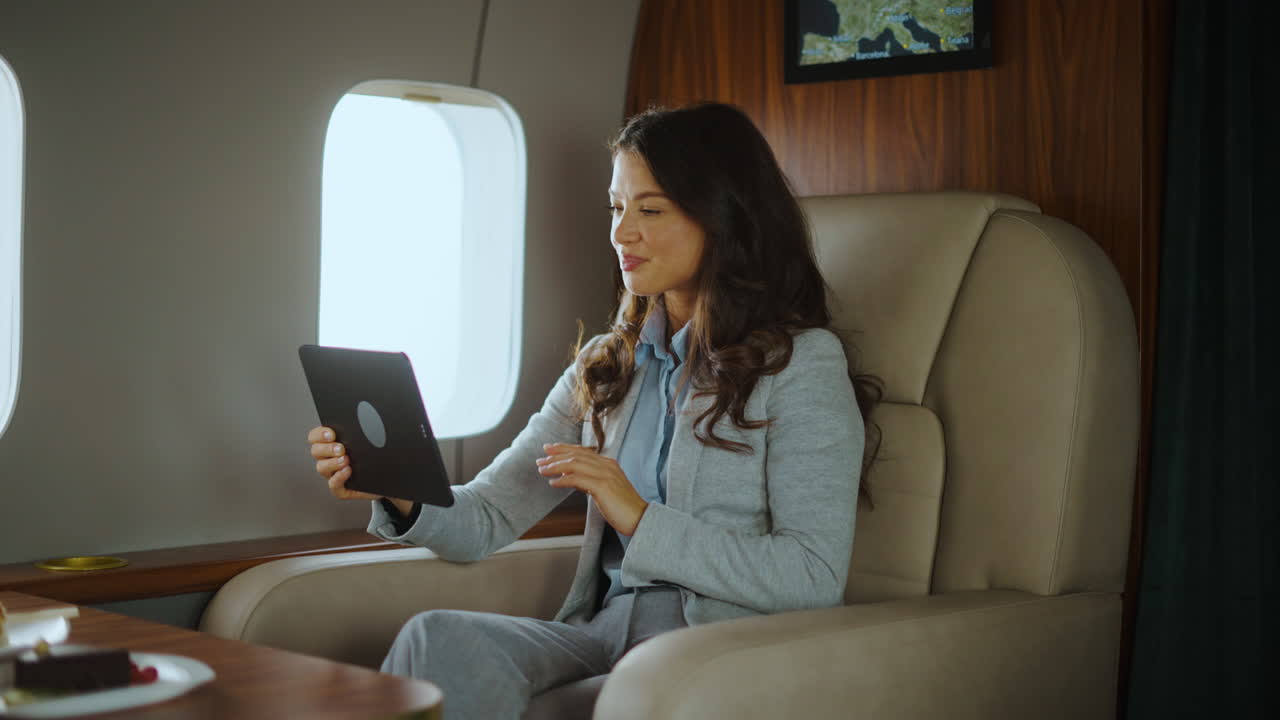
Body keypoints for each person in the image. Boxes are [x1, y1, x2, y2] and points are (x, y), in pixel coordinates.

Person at [307, 101, 879, 720]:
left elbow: (811, 575)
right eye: (616, 207)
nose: (621, 232)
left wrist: (636, 515)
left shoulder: (800, 365)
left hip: (718, 649)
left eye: (650, 209)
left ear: (723, 219)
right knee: (435, 637)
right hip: (605, 632)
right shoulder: (609, 364)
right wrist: (396, 487)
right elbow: (488, 515)